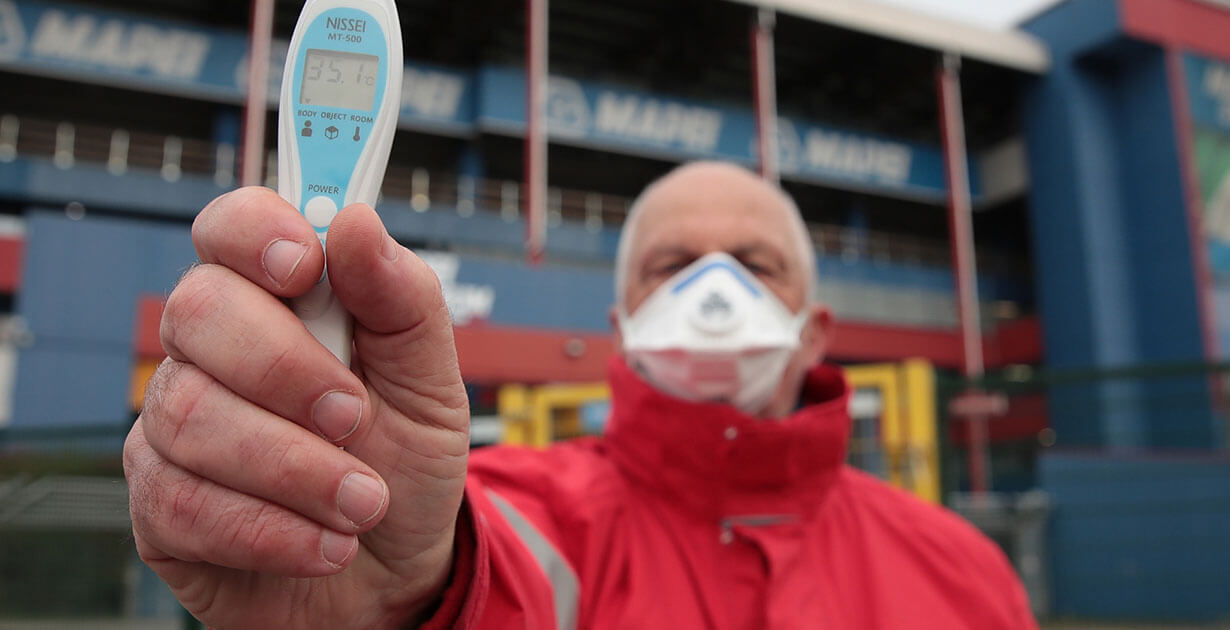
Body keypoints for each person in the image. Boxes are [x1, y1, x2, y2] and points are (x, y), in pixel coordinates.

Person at [124, 161, 1036, 629]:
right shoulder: (494, 525)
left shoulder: (964, 573)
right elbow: (477, 589)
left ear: (814, 330)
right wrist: (401, 607)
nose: (714, 292)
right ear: (623, 318)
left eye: (754, 268)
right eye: (674, 267)